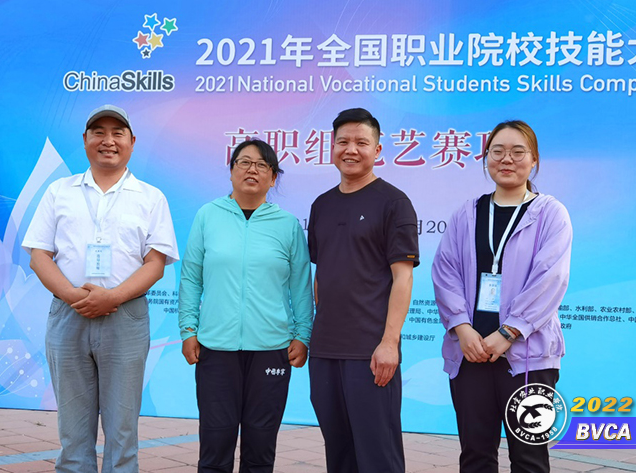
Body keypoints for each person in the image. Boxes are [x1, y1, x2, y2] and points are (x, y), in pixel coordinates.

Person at [22, 105, 179, 473]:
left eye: (117, 133)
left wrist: (112, 297)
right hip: (68, 314)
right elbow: (39, 256)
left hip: (126, 316)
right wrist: (73, 296)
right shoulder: (59, 191)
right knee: (72, 427)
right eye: (99, 132)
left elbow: (155, 263)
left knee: (122, 427)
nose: (108, 141)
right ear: (85, 140)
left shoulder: (150, 197)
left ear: (132, 142)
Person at [432, 120, 572, 473]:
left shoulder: (550, 214)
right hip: (472, 353)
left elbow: (550, 278)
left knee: (529, 459)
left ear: (534, 160)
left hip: (528, 358)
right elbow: (445, 271)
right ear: (486, 158)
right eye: (497, 151)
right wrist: (462, 328)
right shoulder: (467, 213)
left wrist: (509, 331)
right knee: (476, 455)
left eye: (517, 151)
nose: (506, 159)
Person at [178, 139, 313, 473]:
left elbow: (301, 286)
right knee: (215, 443)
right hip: (216, 346)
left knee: (261, 446)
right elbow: (191, 278)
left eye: (262, 165)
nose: (252, 170)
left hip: (272, 348)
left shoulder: (287, 225)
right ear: (231, 171)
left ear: (273, 177)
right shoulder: (208, 216)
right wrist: (188, 329)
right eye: (244, 162)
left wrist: (303, 336)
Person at [307, 108, 419, 473]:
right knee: (338, 451)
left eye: (361, 142)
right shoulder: (322, 205)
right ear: (332, 147)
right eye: (343, 142)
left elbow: (403, 278)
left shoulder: (393, 203)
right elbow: (322, 274)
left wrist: (389, 343)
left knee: (377, 454)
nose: (351, 150)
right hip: (325, 350)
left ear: (377, 149)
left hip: (370, 351)